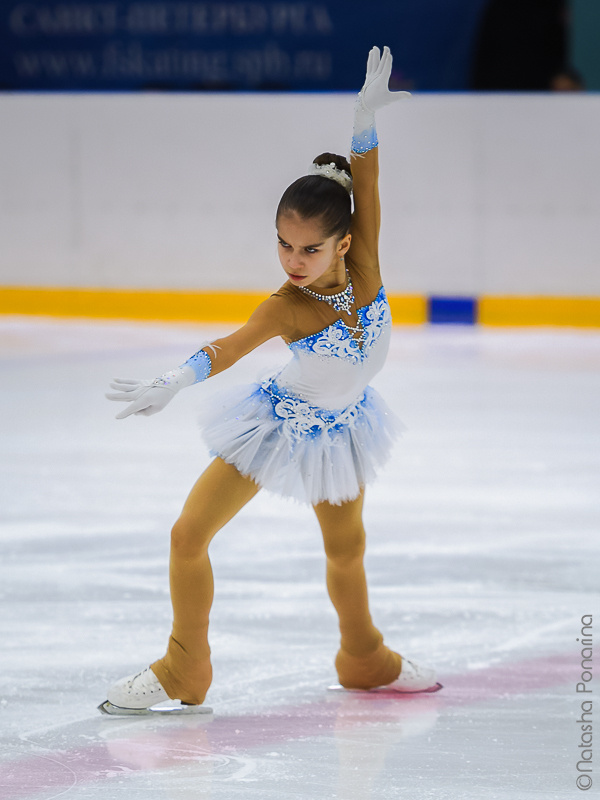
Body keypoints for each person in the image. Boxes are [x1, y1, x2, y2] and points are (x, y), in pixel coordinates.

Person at [102, 46, 440, 715]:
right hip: (277, 423)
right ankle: (183, 666)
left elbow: (365, 182)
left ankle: (363, 656)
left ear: (343, 243)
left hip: (343, 424)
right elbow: (229, 348)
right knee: (188, 535)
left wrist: (363, 119)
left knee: (348, 548)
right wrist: (173, 379)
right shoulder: (288, 306)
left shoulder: (365, 258)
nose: (293, 260)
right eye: (283, 245)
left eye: (309, 248)